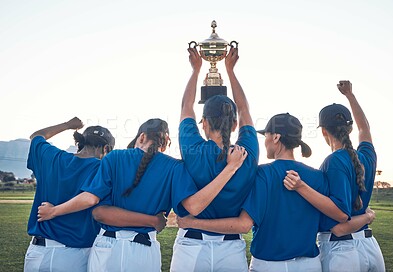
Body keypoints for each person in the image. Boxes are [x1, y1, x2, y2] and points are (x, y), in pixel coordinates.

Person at [37, 118, 248, 272]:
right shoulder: (175, 167)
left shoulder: (115, 158)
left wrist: (55, 210)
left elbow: (95, 207)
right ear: (165, 143)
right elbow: (193, 206)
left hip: (106, 248)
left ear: (142, 136)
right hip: (144, 249)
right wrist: (229, 169)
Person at [177, 113, 376, 272]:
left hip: (268, 264)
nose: (265, 142)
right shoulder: (318, 177)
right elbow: (337, 220)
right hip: (309, 264)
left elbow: (244, 224)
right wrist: (366, 216)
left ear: (276, 137)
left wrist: (192, 222)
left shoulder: (262, 174)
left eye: (266, 136)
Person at [170, 46, 259, 271]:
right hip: (231, 249)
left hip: (191, 245)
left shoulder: (193, 149)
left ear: (205, 124)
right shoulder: (246, 152)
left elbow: (185, 107)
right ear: (235, 124)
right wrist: (230, 69)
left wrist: (196, 69)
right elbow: (244, 108)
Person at [283, 81, 385, 272]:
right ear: (350, 129)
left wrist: (367, 217)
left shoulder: (333, 162)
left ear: (323, 131)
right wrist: (350, 95)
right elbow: (366, 129)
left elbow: (339, 227)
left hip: (341, 251)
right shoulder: (367, 156)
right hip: (371, 247)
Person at [24, 117, 115, 272]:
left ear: (80, 142)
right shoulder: (102, 169)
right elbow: (91, 200)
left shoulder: (52, 157)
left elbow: (36, 137)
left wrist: (68, 125)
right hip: (73, 256)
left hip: (37, 253)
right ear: (105, 149)